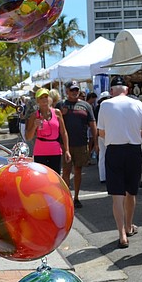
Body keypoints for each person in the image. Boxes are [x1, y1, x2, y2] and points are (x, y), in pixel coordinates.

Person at [97, 76, 142, 249]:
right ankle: (128, 226)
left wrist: (116, 134)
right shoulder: (137, 104)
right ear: (126, 90)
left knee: (117, 196)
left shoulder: (105, 105)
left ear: (112, 91)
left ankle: (121, 233)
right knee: (131, 192)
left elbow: (101, 132)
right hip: (133, 149)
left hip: (114, 150)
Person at [57, 80, 97, 208]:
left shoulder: (86, 106)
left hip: (81, 143)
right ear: (67, 91)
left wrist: (95, 143)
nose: (74, 92)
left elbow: (92, 124)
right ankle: (66, 197)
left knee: (78, 170)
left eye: (76, 90)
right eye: (72, 90)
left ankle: (76, 197)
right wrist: (60, 115)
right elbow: (52, 122)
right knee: (66, 171)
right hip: (65, 145)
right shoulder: (60, 105)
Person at [26, 88, 70, 174]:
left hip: (55, 151)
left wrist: (67, 150)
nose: (44, 99)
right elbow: (28, 137)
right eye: (41, 97)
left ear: (49, 98)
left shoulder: (57, 113)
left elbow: (63, 132)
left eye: (46, 96)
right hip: (40, 152)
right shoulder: (34, 116)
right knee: (41, 180)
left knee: (55, 178)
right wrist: (34, 125)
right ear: (37, 100)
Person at [95, 91, 111, 183]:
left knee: (102, 155)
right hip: (107, 132)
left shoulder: (98, 108)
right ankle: (108, 175)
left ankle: (103, 177)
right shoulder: (108, 107)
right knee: (109, 154)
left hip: (99, 132)